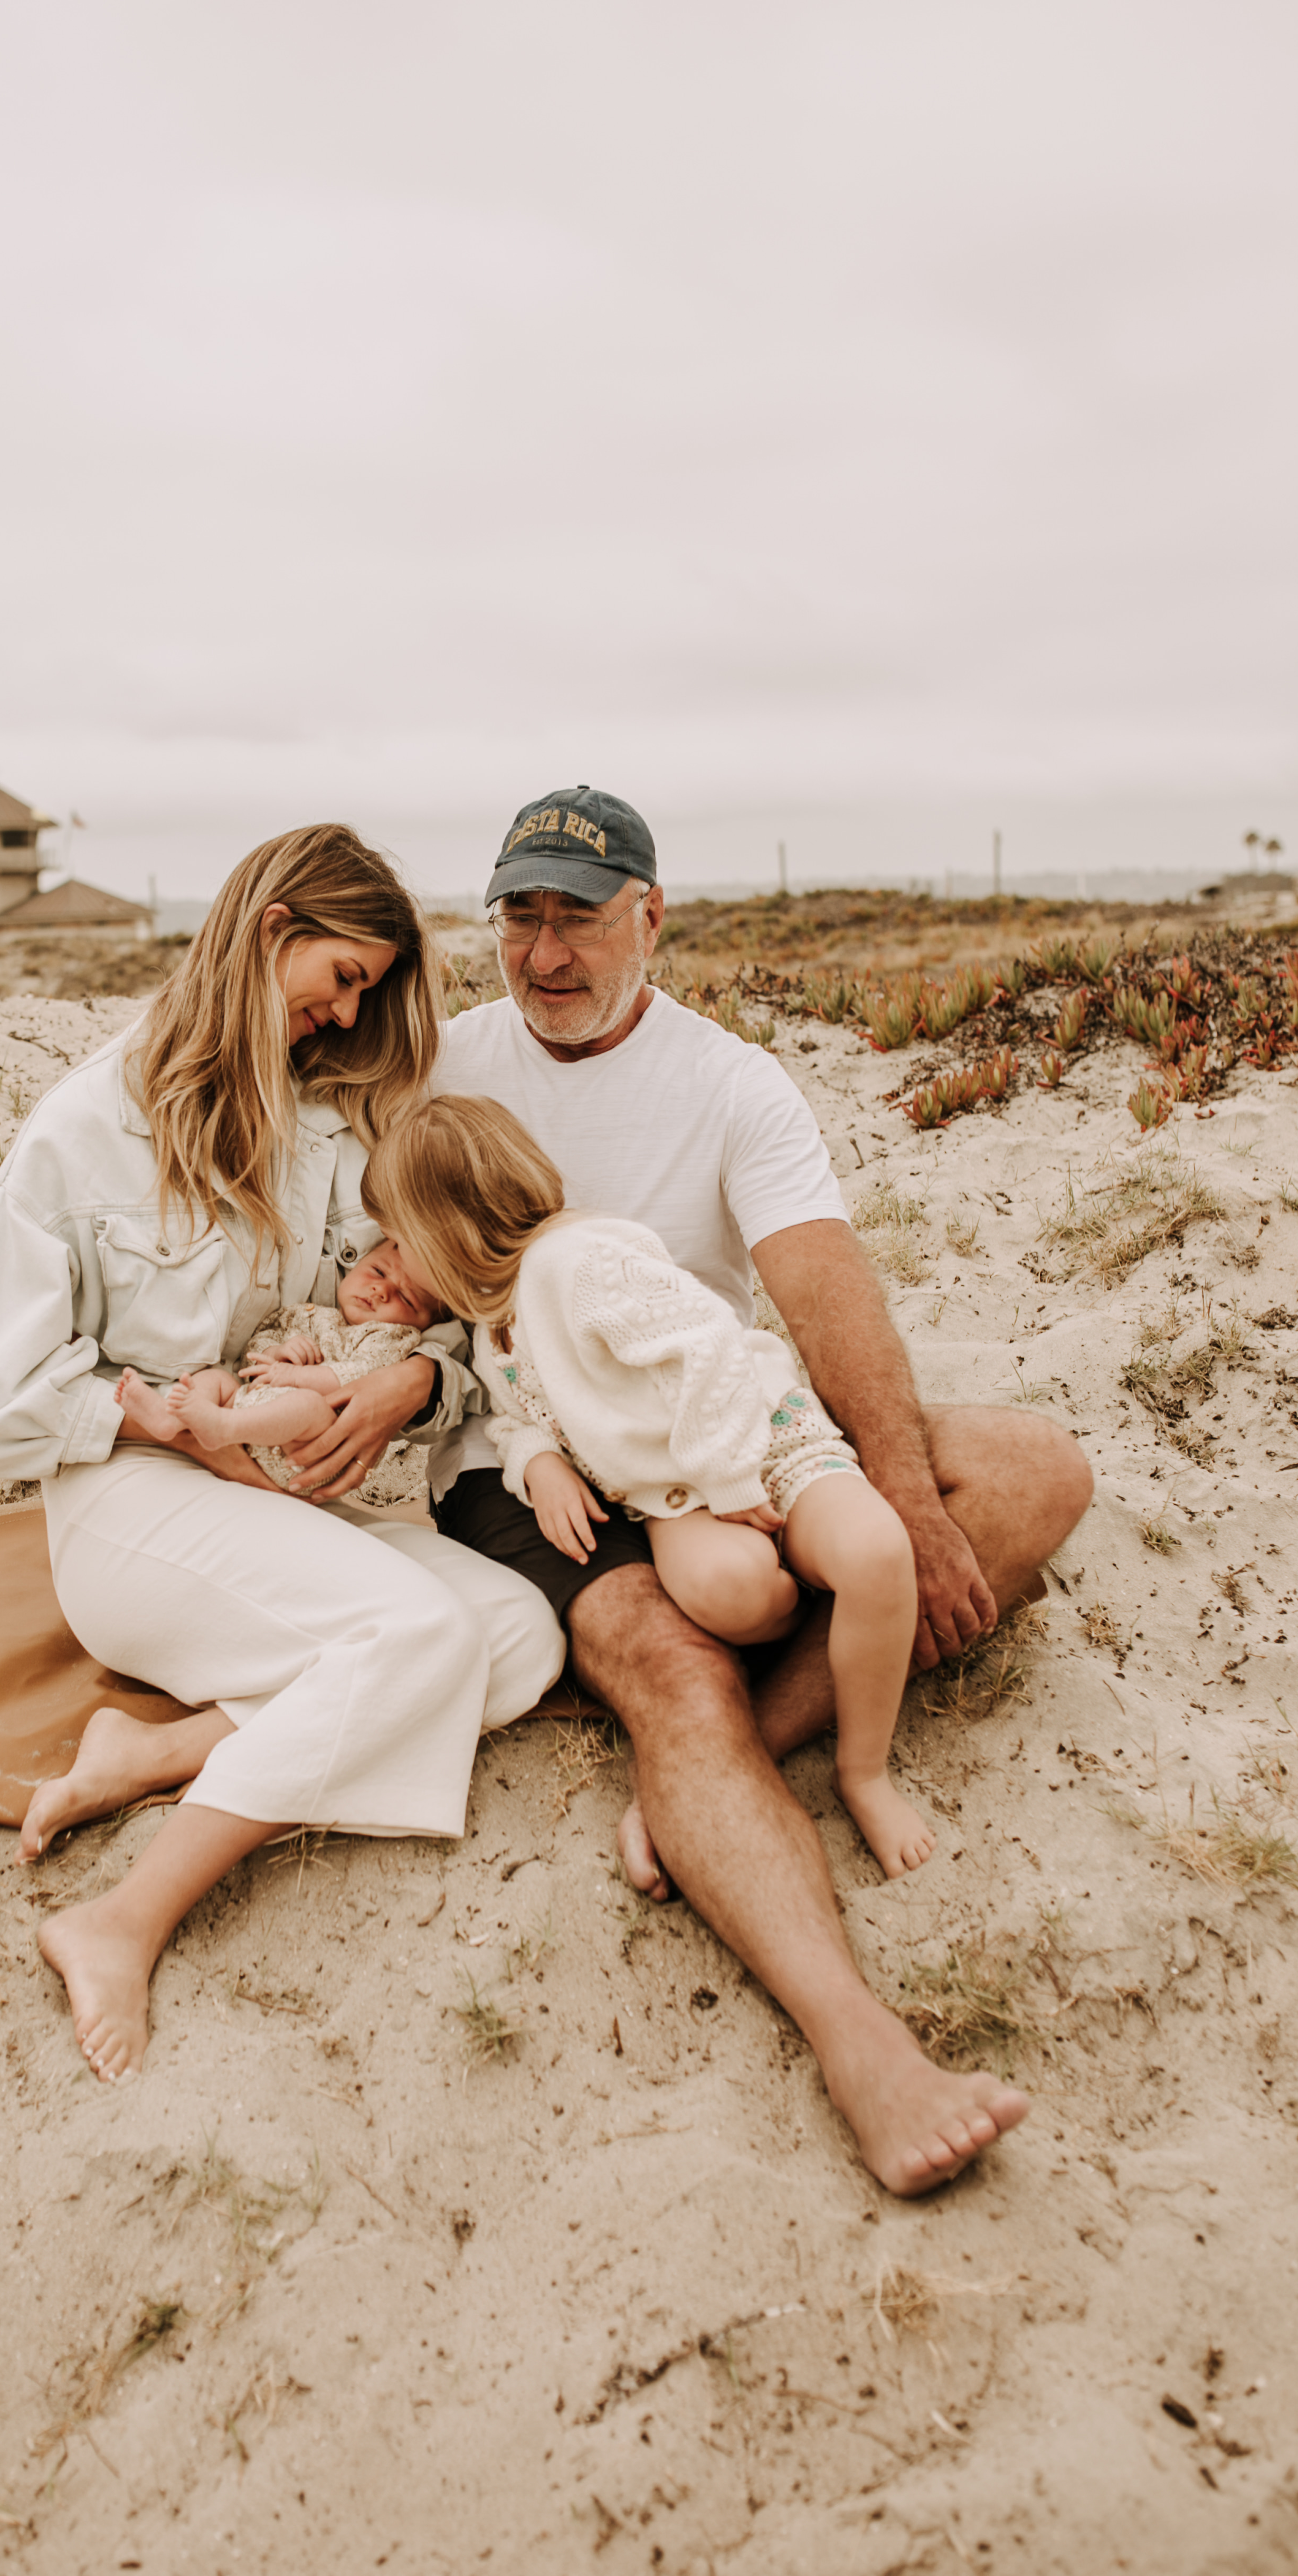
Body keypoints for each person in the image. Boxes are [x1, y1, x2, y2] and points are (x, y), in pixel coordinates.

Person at [317, 784, 1091, 2194]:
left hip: (708, 1435)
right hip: (531, 1466)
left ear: (651, 919)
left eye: (580, 918)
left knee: (1033, 1476)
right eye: (521, 917)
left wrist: (903, 1496)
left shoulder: (733, 1084)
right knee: (676, 1666)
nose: (547, 953)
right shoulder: (446, 1063)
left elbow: (818, 1290)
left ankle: (722, 1775)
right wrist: (421, 1385)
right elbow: (391, 1276)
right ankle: (866, 2046)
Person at [0, 825, 565, 2084]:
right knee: (420, 1642)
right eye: (339, 977)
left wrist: (407, 1384)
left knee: (519, 1635)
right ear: (270, 930)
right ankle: (121, 1918)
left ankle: (161, 1752)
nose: (344, 1017)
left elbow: (407, 1308)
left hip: (276, 1495)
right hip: (132, 1503)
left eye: (369, 994)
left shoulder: (332, 1129)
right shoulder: (80, 1136)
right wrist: (147, 1412)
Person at [362, 1094, 934, 1881]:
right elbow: (517, 1413)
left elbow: (709, 1348)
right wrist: (539, 1463)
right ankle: (816, 1610)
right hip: (671, 1494)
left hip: (761, 1444)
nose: (393, 1259)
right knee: (729, 1592)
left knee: (874, 1551)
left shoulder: (577, 1263)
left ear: (446, 1228)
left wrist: (732, 1477)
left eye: (401, 1239)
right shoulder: (493, 1322)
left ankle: (863, 1771)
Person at [112, 1235, 441, 1490]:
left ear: (425, 1323)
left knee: (310, 1405)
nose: (381, 1290)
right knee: (218, 1381)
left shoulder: (394, 1337)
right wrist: (277, 1353)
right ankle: (167, 1419)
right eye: (378, 1272)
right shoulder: (312, 1314)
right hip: (256, 1415)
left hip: (311, 1449)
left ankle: (221, 1428)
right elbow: (257, 1349)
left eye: (406, 1298)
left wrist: (295, 1375)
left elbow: (358, 1376)